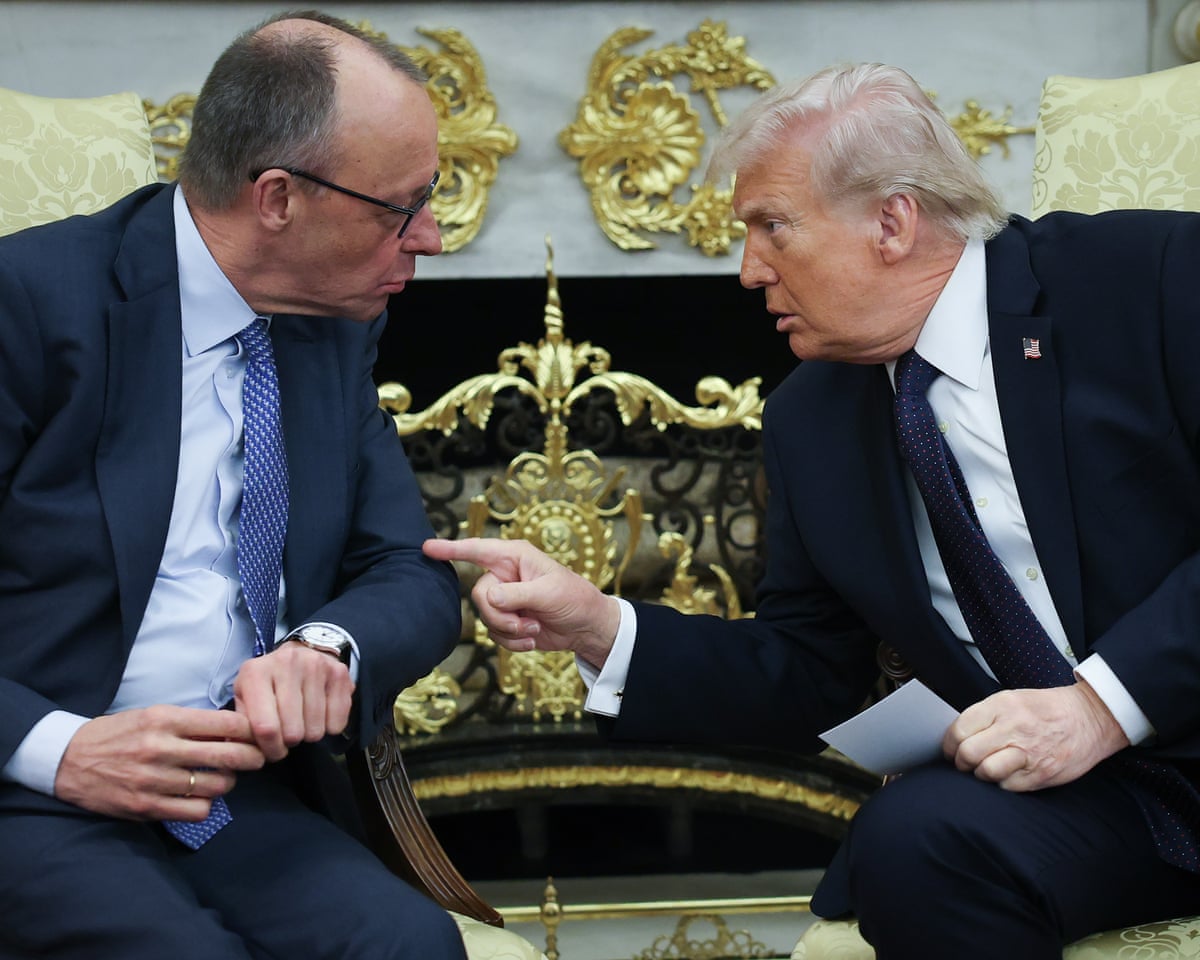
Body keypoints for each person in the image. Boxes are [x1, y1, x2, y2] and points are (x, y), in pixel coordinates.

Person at [424, 62, 1200, 958]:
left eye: (772, 228)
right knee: (914, 841)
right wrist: (601, 626)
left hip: (1163, 715)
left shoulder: (1147, 278)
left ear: (891, 222)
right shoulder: (811, 418)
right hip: (1100, 805)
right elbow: (804, 668)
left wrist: (1101, 706)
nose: (748, 270)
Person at [0, 10, 468, 960]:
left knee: (410, 946)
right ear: (277, 198)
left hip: (226, 789)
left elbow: (409, 570)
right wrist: (58, 749)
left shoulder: (333, 326)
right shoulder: (30, 306)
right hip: (31, 790)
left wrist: (327, 647)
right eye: (400, 206)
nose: (430, 236)